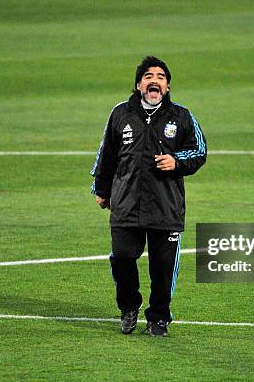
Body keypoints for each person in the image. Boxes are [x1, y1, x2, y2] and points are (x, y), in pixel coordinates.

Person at [90, 56, 207, 337]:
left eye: (161, 77)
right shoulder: (120, 113)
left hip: (165, 206)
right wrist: (102, 190)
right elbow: (106, 154)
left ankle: (158, 318)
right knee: (121, 258)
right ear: (139, 84)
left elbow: (200, 151)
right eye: (148, 76)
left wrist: (176, 161)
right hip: (126, 203)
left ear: (166, 87)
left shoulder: (181, 116)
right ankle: (128, 308)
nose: (154, 80)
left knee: (163, 268)